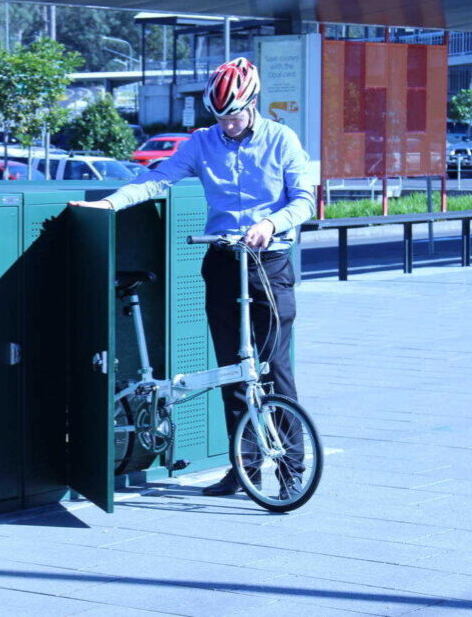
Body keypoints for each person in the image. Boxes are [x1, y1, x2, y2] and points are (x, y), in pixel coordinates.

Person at [70, 57, 315, 498]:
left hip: (268, 262)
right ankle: (245, 467)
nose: (228, 125)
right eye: (220, 116)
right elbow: (158, 179)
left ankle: (291, 468)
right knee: (232, 372)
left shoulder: (282, 139)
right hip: (222, 261)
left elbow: (305, 201)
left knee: (273, 370)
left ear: (253, 103)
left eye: (235, 115)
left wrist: (270, 224)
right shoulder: (202, 142)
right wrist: (108, 205)